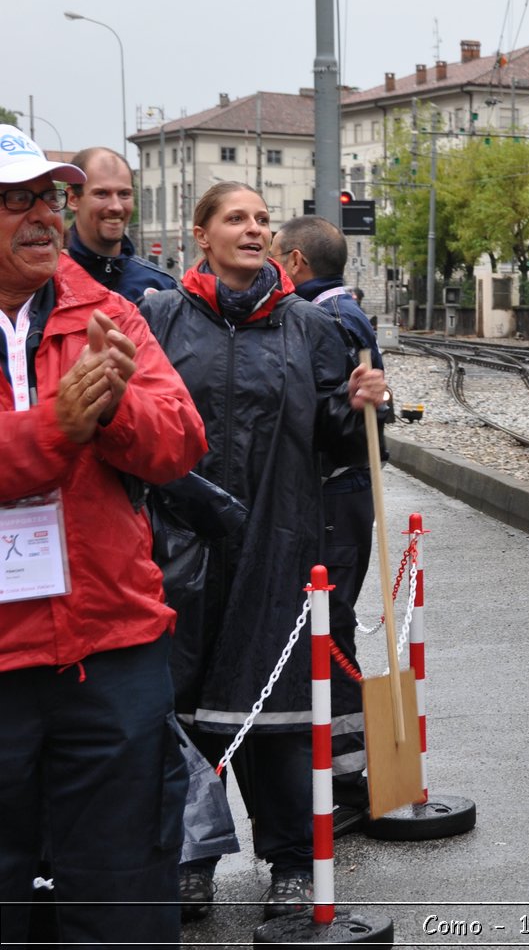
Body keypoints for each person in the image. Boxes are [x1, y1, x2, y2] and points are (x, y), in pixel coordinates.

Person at [139, 182, 387, 921]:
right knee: (180, 712)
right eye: (234, 218)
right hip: (180, 548)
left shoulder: (308, 326)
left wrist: (362, 404)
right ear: (201, 235)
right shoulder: (162, 317)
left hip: (277, 543)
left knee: (273, 710)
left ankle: (288, 860)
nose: (251, 229)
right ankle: (191, 857)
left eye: (259, 219)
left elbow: (336, 437)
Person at [0, 125, 207, 946]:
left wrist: (112, 405)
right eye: (16, 202)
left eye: (49, 198)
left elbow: (182, 441)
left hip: (109, 651)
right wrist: (54, 429)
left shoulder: (106, 309)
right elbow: (49, 440)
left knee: (123, 894)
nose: (44, 217)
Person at [271, 215, 388, 825]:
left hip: (337, 495)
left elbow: (340, 421)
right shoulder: (346, 311)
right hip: (344, 493)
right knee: (327, 630)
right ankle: (344, 773)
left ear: (294, 262)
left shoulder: (326, 319)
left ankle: (348, 781)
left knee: (330, 632)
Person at [64, 146, 177, 301]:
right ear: (73, 199)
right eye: (102, 194)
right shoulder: (45, 281)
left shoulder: (160, 286)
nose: (116, 207)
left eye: (124, 194)